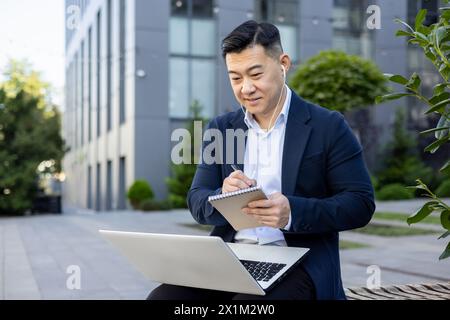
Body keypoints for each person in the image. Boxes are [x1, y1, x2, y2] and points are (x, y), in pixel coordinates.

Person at [148, 20, 375, 300]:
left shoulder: (328, 126)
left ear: (283, 64)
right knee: (163, 299)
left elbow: (360, 204)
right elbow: (197, 200)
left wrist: (292, 213)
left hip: (299, 263)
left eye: (255, 74)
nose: (246, 88)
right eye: (235, 77)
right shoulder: (222, 128)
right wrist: (222, 195)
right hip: (229, 258)